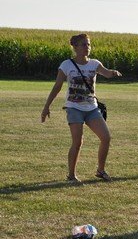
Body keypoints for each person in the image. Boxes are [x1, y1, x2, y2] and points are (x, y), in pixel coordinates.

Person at [41, 33, 122, 183]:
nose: (87, 47)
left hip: (92, 108)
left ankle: (100, 170)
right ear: (75, 47)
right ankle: (71, 175)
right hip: (74, 107)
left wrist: (113, 73)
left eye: (89, 44)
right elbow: (57, 86)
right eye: (84, 44)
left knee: (106, 137)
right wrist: (46, 107)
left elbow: (106, 72)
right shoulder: (66, 65)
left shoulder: (94, 64)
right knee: (77, 142)